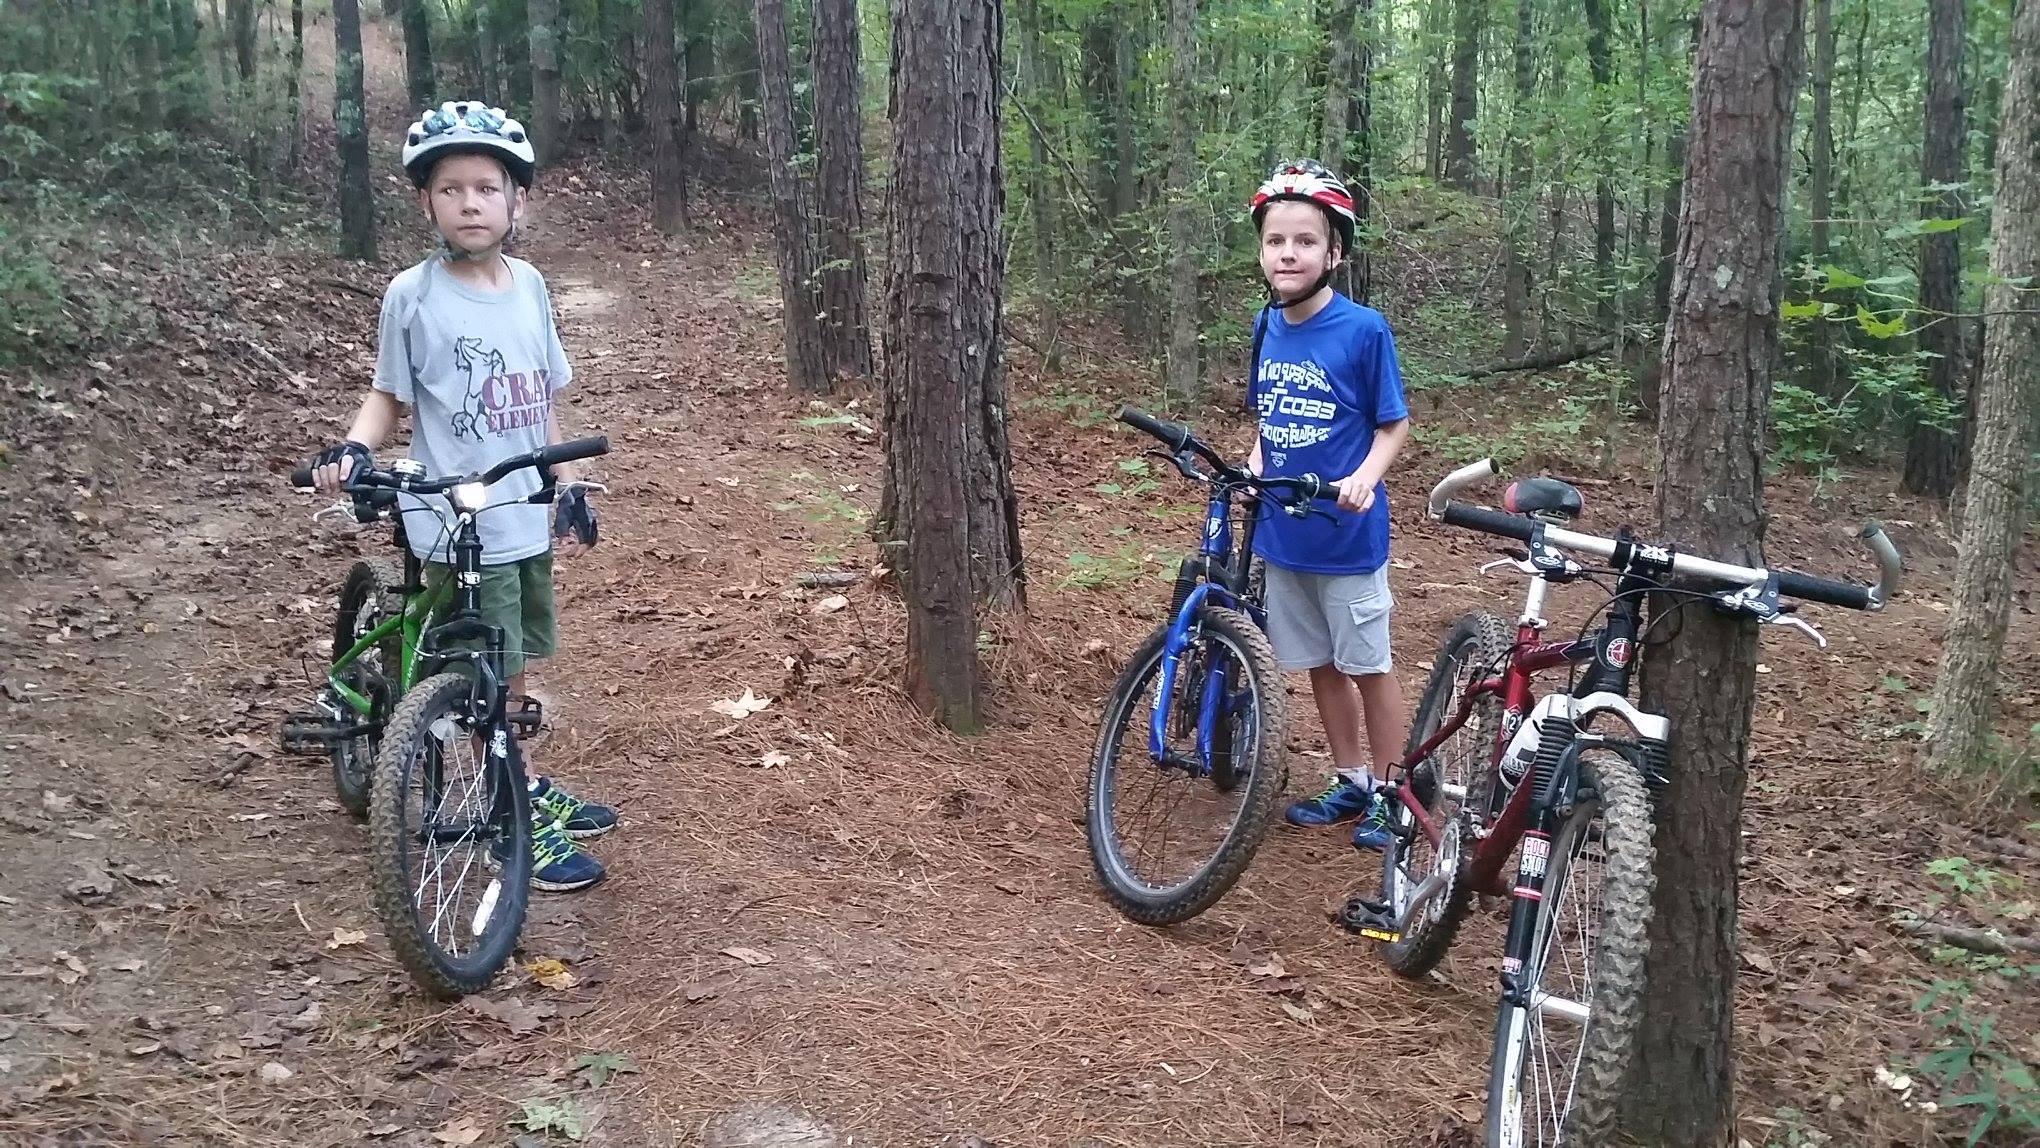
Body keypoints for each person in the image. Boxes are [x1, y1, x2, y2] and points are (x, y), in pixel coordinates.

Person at [308, 100, 617, 891]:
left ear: (519, 201)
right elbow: (387, 397)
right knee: (476, 673)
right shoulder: (411, 295)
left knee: (510, 667)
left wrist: (571, 483)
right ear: (426, 203)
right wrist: (353, 448)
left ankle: (519, 778)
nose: (470, 203)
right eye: (451, 189)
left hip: (519, 516)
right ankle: (505, 811)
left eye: (487, 187)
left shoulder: (533, 287)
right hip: (448, 518)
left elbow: (547, 399)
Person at [1242, 160, 1412, 851]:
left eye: (1305, 241)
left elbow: (1393, 422)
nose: (1289, 253)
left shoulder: (1363, 330)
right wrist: (1252, 467)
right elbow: (1270, 417)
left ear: (1334, 252)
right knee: (1319, 663)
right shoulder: (1267, 325)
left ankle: (1393, 790)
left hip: (1345, 535)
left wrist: (1367, 476)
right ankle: (1350, 778)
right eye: (1277, 240)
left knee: (1367, 665)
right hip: (1286, 534)